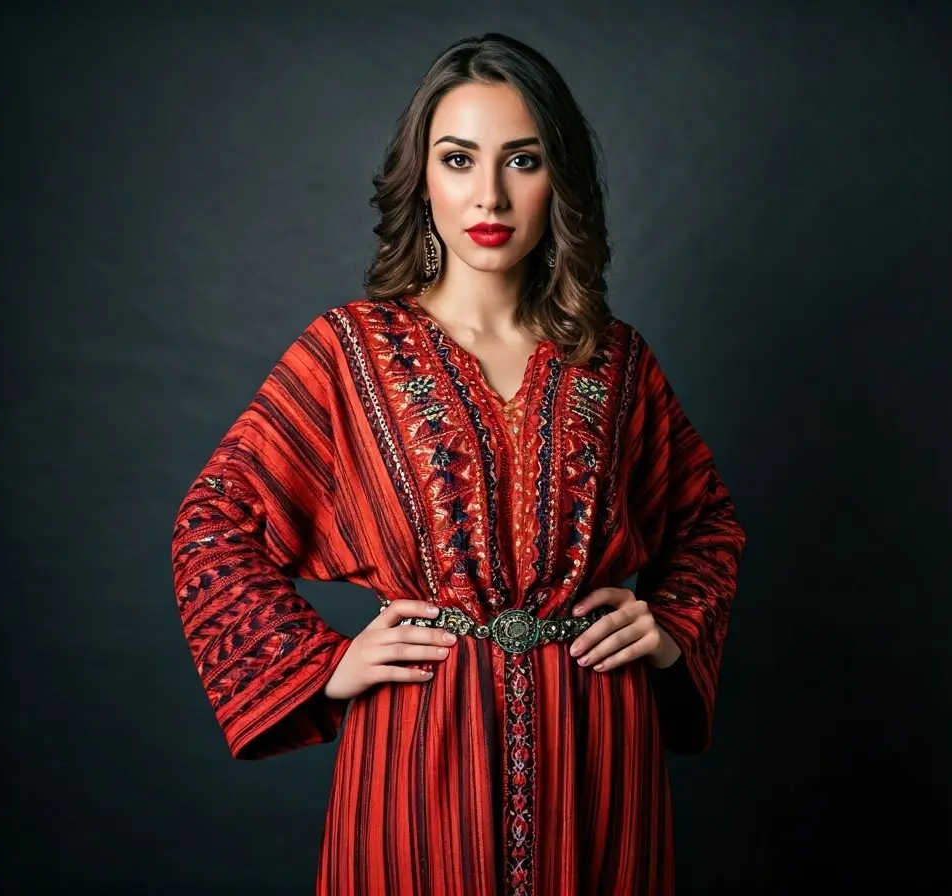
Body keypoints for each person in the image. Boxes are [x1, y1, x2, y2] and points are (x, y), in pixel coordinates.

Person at [171, 32, 746, 896]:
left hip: (598, 748)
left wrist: (666, 627)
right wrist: (321, 663)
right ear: (423, 178)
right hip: (418, 742)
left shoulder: (613, 361)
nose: (489, 193)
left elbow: (707, 521)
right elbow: (213, 521)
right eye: (458, 158)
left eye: (523, 160)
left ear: (563, 182)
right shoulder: (349, 353)